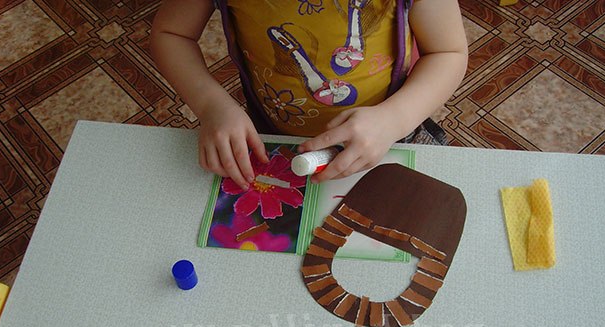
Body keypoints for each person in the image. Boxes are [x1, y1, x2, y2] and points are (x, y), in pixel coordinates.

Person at [150, 0, 467, 190]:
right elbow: (171, 34)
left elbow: (447, 52)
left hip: (389, 133)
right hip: (270, 132)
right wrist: (211, 105)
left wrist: (394, 119)